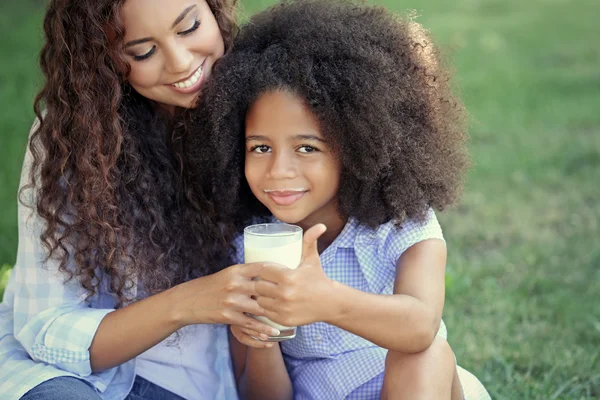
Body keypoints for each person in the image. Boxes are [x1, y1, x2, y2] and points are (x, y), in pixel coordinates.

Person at [183, 0, 491, 399]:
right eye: (260, 148)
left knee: (422, 353)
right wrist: (262, 339)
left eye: (307, 148)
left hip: (420, 388)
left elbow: (420, 326)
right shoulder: (250, 245)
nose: (278, 171)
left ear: (357, 144)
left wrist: (324, 301)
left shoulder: (401, 228)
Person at [0, 0, 278, 399]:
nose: (181, 63)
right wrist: (186, 303)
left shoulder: (269, 101)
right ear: (103, 60)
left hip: (195, 385)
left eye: (190, 27)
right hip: (80, 378)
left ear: (216, 11)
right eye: (144, 51)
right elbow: (45, 331)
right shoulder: (74, 141)